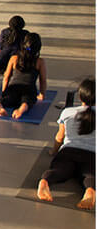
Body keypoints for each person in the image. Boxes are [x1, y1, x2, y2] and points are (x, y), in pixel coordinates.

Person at [37, 78, 95, 210]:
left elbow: (60, 136)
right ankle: (90, 190)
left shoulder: (68, 112)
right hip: (92, 155)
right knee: (90, 174)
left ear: (80, 97)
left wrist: (54, 151)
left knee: (60, 170)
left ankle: (45, 181)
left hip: (68, 151)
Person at [0, 33, 47, 119]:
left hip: (13, 87)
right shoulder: (39, 62)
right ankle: (21, 109)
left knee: (9, 99)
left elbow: (6, 77)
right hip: (28, 89)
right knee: (27, 101)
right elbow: (43, 80)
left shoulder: (14, 58)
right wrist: (42, 94)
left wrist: (4, 92)